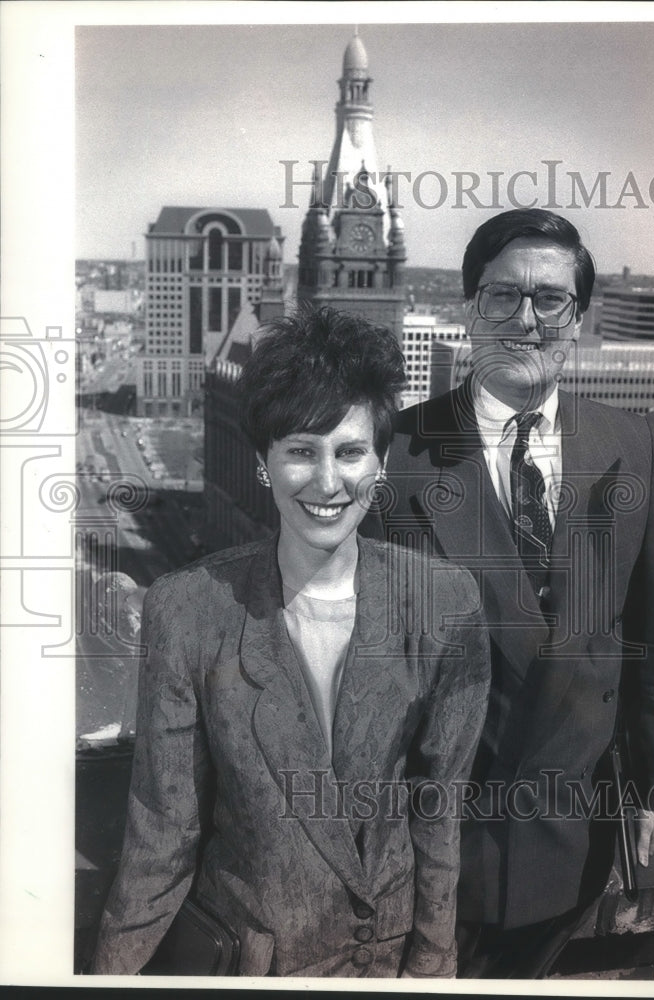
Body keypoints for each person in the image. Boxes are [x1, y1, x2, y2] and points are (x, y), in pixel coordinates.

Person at [92, 306, 490, 978]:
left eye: (350, 451)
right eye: (301, 451)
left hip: (388, 966)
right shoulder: (186, 611)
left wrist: (431, 968)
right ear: (263, 465)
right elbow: (162, 836)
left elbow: (438, 814)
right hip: (255, 967)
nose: (328, 482)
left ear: (381, 462)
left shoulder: (445, 605)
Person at [369, 209, 654, 977]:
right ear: (468, 307)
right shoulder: (395, 452)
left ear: (578, 317)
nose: (525, 319)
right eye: (502, 296)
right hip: (438, 847)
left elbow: (652, 635)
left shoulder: (629, 441)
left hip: (575, 839)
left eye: (550, 299)